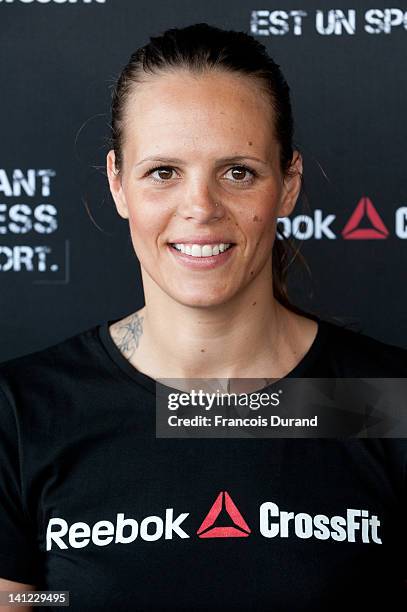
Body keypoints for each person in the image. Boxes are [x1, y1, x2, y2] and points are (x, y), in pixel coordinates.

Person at [0, 22, 406, 612]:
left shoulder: (378, 402)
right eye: (163, 172)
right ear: (118, 184)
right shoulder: (24, 414)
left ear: (288, 185)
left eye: (237, 172)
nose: (200, 208)